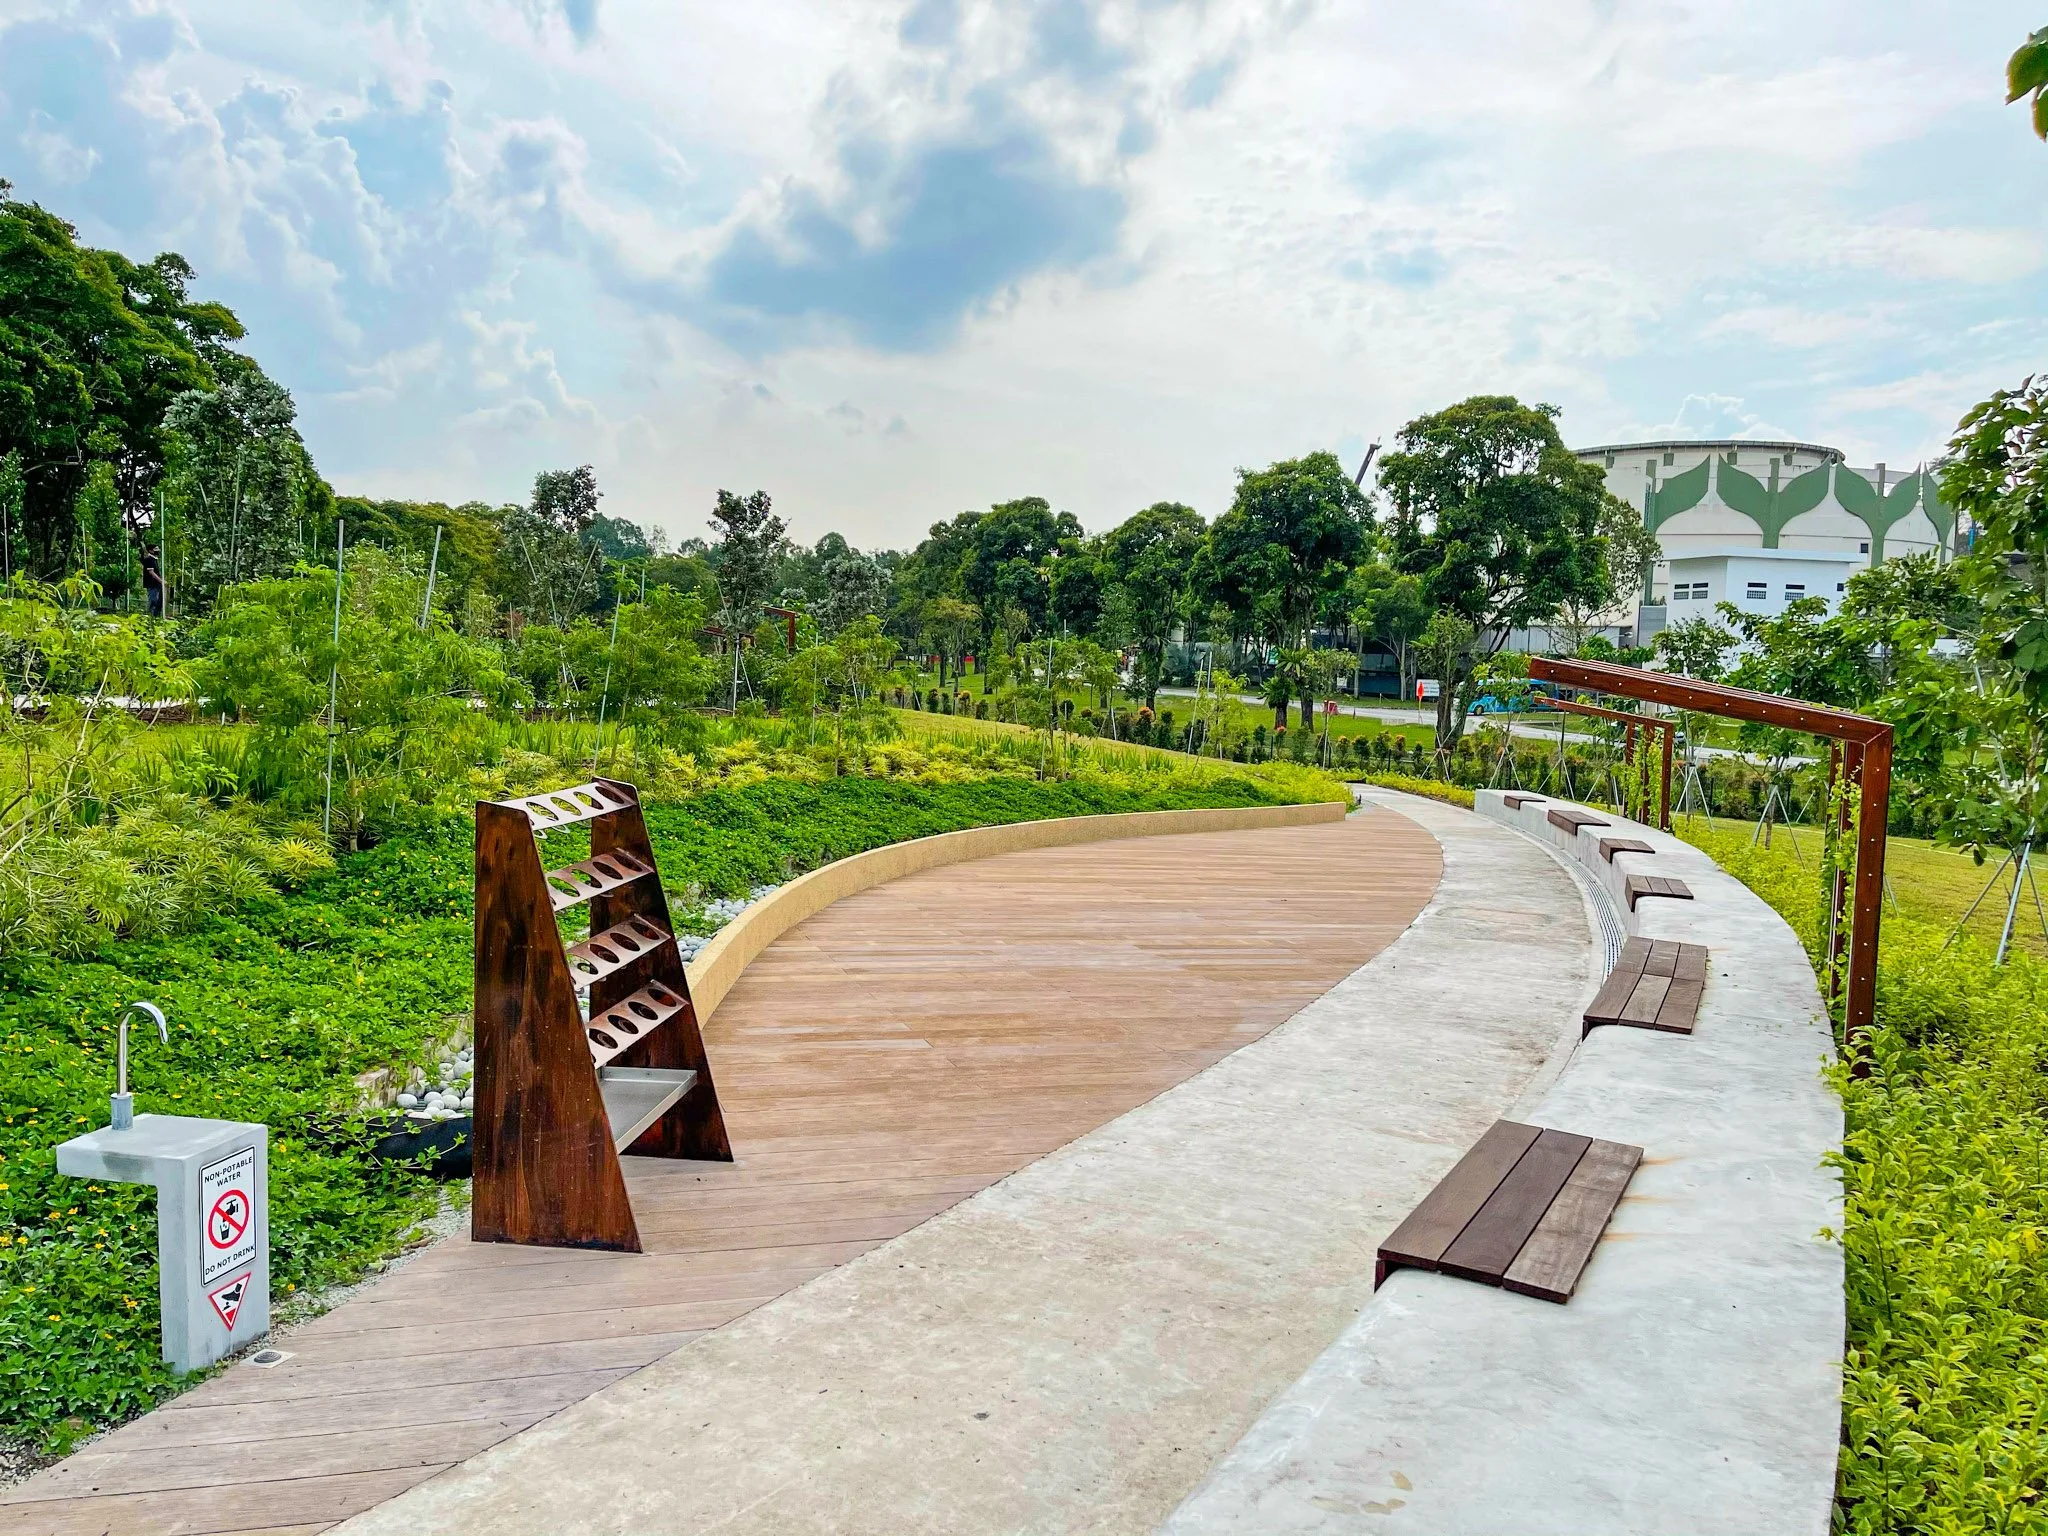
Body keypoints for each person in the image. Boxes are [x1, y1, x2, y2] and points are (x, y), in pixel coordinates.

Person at [140, 551, 164, 618]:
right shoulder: (149, 559)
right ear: (150, 550)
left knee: (158, 600)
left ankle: (155, 616)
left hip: (156, 583)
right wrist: (161, 580)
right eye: (155, 548)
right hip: (151, 583)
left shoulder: (154, 559)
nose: (158, 550)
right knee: (153, 600)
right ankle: (150, 615)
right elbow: (151, 572)